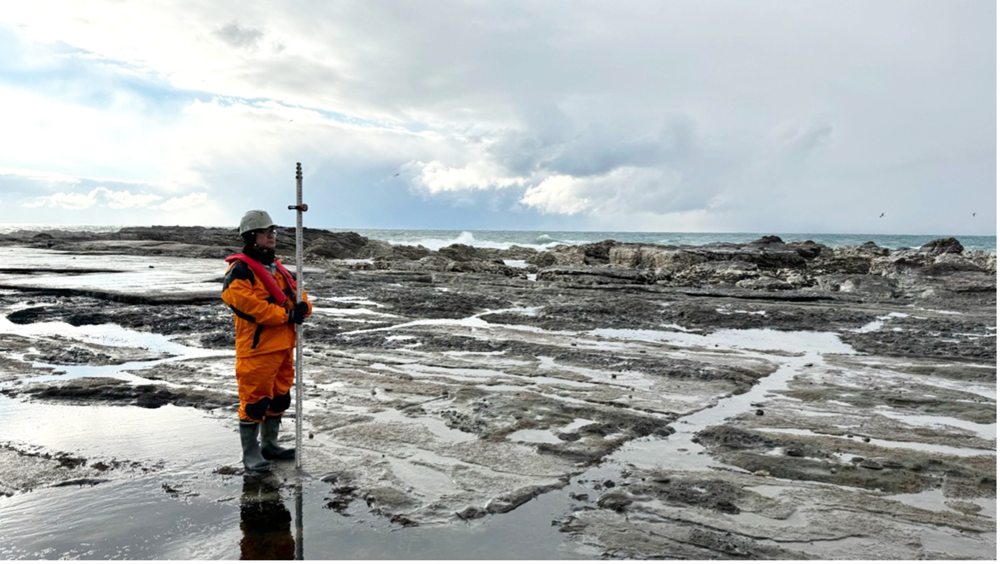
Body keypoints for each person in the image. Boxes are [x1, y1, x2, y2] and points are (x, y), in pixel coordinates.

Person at [222, 210, 312, 473]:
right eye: (266, 231)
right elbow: (246, 306)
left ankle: (270, 445)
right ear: (251, 236)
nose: (272, 235)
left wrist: (304, 308)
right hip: (257, 348)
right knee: (255, 401)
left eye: (273, 230)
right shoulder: (240, 270)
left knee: (279, 398)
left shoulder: (279, 268)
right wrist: (286, 315)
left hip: (284, 344)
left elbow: (299, 294)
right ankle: (251, 454)